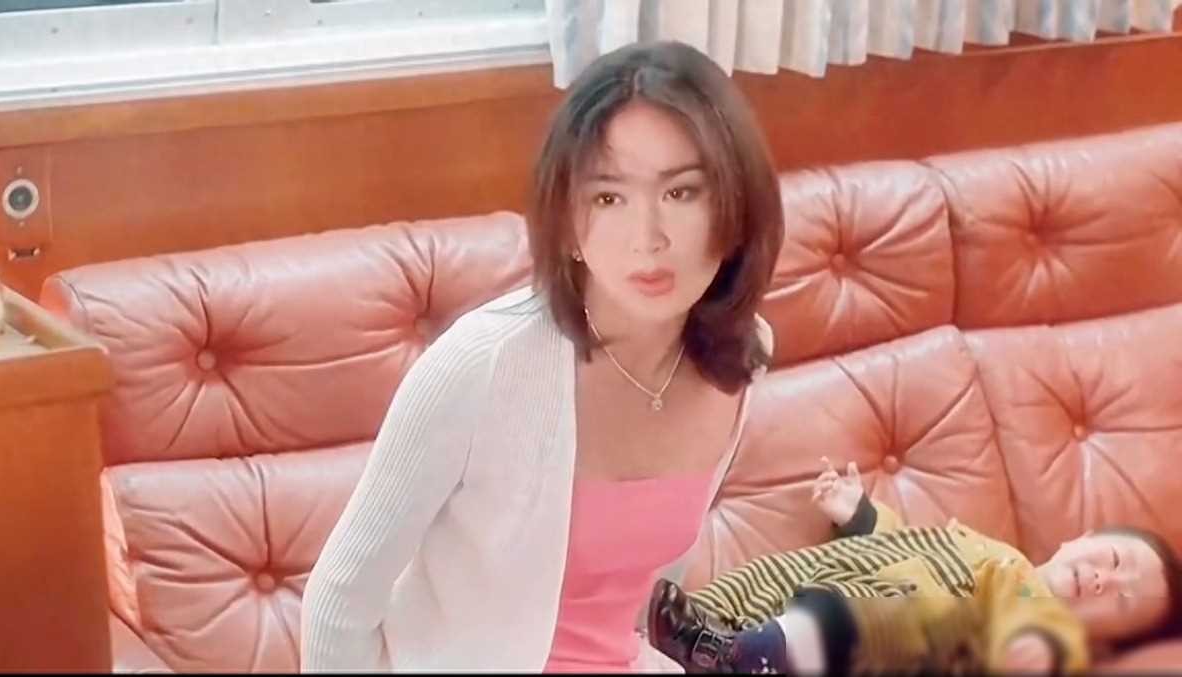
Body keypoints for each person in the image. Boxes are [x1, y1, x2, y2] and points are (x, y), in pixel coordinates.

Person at [300, 40, 783, 672]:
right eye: (608, 197)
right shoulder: (480, 364)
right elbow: (338, 602)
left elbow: (639, 604)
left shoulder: (739, 357)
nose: (648, 239)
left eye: (682, 192)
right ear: (569, 225)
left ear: (737, 207)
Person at [648, 458, 1182, 674]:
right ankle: (712, 646)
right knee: (713, 609)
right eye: (1115, 560)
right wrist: (858, 513)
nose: (1104, 579)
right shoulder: (985, 547)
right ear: (1080, 539)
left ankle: (740, 653)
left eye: (1122, 600)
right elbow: (904, 546)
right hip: (783, 597)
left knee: (911, 615)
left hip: (864, 641)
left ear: (1101, 643)